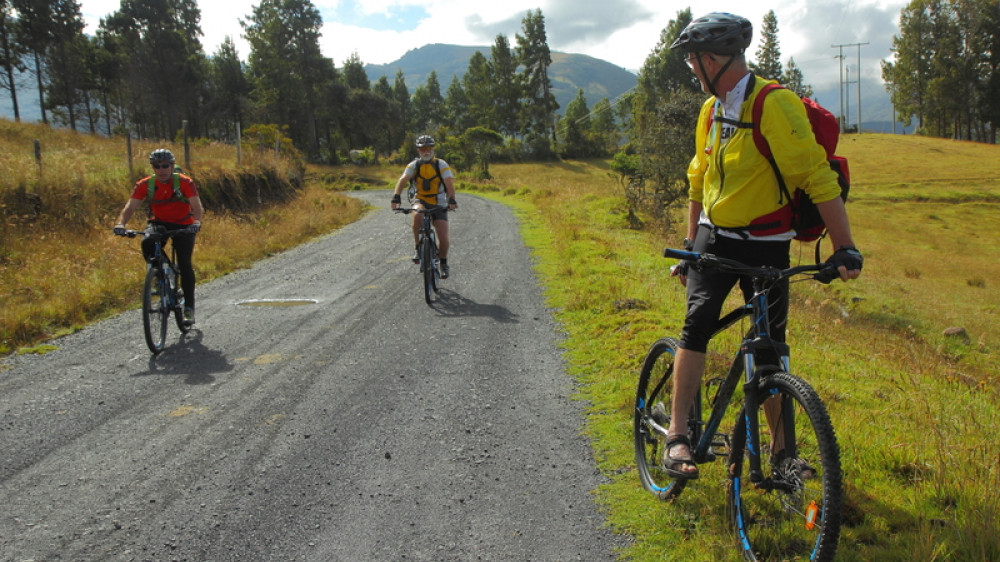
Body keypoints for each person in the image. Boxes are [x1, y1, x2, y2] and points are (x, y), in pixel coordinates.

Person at [662, 12, 863, 479]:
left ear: (712, 59)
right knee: (698, 325)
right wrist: (692, 244)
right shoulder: (710, 111)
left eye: (693, 61)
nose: (692, 70)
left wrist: (845, 245)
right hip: (716, 236)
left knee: (770, 348)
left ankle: (781, 453)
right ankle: (677, 435)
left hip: (769, 243)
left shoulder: (774, 104)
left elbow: (816, 176)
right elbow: (699, 180)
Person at [113, 149, 204, 325]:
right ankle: (160, 274)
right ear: (153, 168)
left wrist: (197, 222)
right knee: (147, 242)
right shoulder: (145, 184)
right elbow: (130, 207)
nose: (161, 169)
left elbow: (197, 206)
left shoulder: (185, 182)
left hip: (184, 225)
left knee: (185, 264)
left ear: (172, 166)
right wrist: (121, 224)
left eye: (165, 166)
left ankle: (189, 309)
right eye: (157, 166)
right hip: (159, 223)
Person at [390, 135, 458, 278]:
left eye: (428, 148)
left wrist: (451, 199)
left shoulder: (441, 164)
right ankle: (418, 247)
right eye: (422, 149)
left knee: (443, 236)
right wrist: (396, 196)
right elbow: (403, 179)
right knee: (417, 217)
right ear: (418, 150)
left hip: (439, 202)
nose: (426, 151)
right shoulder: (414, 165)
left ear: (433, 149)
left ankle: (444, 263)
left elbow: (448, 183)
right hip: (420, 199)